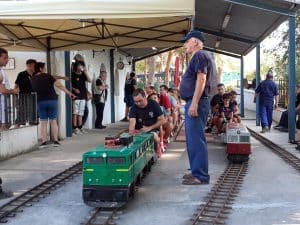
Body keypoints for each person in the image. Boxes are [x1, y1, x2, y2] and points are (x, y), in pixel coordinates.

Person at [179, 29, 215, 185]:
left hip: (197, 102)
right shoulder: (204, 56)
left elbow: (201, 79)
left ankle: (200, 175)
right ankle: (196, 171)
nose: (185, 45)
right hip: (197, 101)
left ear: (194, 41)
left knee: (196, 140)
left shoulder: (200, 55)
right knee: (193, 139)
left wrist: (194, 103)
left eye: (187, 41)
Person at [31, 62, 76, 148]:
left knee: (43, 122)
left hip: (40, 101)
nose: (45, 69)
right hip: (52, 100)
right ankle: (55, 141)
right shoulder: (48, 76)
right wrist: (69, 93)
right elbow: (59, 85)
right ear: (40, 68)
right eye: (44, 68)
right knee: (53, 121)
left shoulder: (33, 79)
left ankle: (44, 142)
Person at [128, 88, 164, 157]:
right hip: (139, 130)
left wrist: (149, 128)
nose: (138, 103)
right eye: (136, 101)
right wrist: (132, 132)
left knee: (154, 135)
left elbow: (162, 120)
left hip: (153, 128)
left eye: (140, 101)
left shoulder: (153, 104)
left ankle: (157, 148)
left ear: (145, 97)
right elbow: (132, 123)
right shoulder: (134, 108)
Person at [0, 48, 19, 130]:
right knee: (4, 129)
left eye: (7, 58)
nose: (7, 60)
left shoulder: (1, 70)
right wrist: (14, 91)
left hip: (3, 109)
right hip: (2, 111)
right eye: (5, 58)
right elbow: (2, 90)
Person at [14, 59, 37, 126]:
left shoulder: (36, 74)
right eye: (32, 66)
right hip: (23, 97)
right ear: (28, 65)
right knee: (21, 115)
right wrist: (15, 97)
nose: (33, 67)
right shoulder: (21, 74)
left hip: (34, 97)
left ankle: (32, 131)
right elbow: (16, 86)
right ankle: (17, 129)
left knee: (33, 116)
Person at [71, 61, 91, 134]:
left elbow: (90, 80)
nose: (80, 67)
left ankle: (80, 127)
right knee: (75, 113)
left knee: (81, 113)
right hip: (75, 96)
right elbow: (69, 85)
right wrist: (74, 89)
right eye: (79, 65)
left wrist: (85, 71)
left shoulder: (83, 75)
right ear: (76, 66)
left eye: (82, 65)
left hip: (83, 96)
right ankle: (75, 128)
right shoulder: (72, 74)